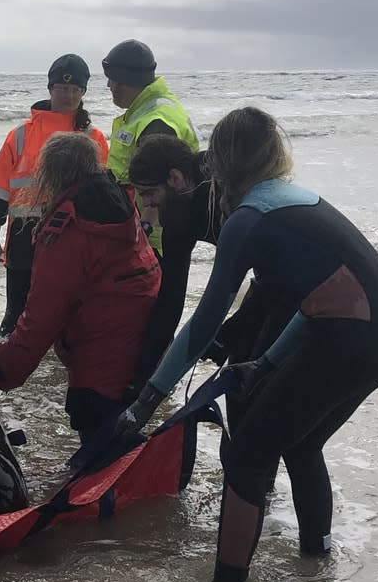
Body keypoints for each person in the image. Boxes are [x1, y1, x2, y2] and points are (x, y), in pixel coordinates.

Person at [113, 107, 378, 582]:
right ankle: (317, 562)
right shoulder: (293, 198)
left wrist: (146, 400)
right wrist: (266, 362)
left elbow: (204, 321)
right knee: (300, 441)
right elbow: (320, 300)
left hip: (350, 338)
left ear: (222, 163)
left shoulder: (246, 220)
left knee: (249, 453)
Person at [0, 132, 161, 441]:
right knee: (125, 445)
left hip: (102, 363)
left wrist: (5, 368)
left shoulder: (68, 228)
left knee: (98, 455)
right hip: (144, 350)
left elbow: (44, 313)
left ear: (50, 175)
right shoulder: (120, 202)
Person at [124, 134, 296, 398]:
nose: (147, 205)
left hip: (302, 282)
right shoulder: (178, 208)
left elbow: (225, 293)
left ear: (174, 178)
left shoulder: (223, 195)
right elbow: (171, 294)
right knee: (237, 375)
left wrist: (231, 328)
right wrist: (142, 379)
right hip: (267, 278)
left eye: (149, 193)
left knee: (257, 382)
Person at [0, 54, 110, 336]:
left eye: (76, 89)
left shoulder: (93, 137)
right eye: (62, 88)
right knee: (16, 316)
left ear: (84, 93)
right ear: (50, 89)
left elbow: (103, 195)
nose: (69, 95)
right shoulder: (19, 135)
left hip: (72, 236)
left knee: (69, 316)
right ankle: (7, 372)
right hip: (23, 235)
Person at [101, 39, 199, 255]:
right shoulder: (149, 108)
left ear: (123, 81)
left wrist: (143, 229)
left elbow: (158, 186)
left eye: (112, 79)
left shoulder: (156, 122)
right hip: (158, 226)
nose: (109, 86)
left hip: (159, 233)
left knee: (160, 288)